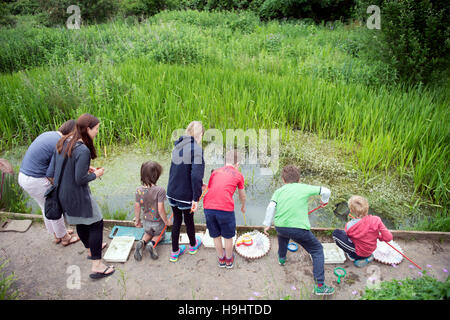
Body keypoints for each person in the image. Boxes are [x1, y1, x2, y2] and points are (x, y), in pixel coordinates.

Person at [47, 113, 114, 280]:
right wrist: (96, 174)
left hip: (63, 195)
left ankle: (91, 250)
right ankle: (97, 266)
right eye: (97, 128)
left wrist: (85, 167)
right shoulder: (82, 149)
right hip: (77, 196)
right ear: (88, 129)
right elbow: (80, 179)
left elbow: (57, 170)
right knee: (96, 223)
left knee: (81, 223)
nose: (98, 131)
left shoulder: (65, 141)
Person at [262, 165, 334, 296]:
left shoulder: (278, 191)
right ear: (299, 179)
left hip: (280, 226)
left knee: (283, 238)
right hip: (299, 229)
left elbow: (271, 206)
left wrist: (267, 224)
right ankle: (320, 286)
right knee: (317, 250)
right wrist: (324, 201)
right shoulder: (304, 187)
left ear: (283, 180)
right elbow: (326, 191)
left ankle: (282, 259)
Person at [18, 120, 79, 246]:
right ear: (71, 133)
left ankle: (57, 234)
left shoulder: (49, 134)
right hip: (36, 179)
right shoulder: (59, 143)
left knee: (45, 206)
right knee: (54, 206)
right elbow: (52, 173)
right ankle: (65, 238)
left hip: (24, 176)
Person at [166, 121, 205, 262]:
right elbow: (195, 175)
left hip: (172, 191)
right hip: (185, 195)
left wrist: (200, 184)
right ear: (200, 134)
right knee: (189, 221)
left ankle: (174, 252)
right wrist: (196, 197)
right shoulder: (197, 150)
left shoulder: (177, 146)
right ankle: (193, 245)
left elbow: (179, 170)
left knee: (177, 220)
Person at [203, 150, 246, 269]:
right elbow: (242, 195)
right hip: (225, 209)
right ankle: (229, 259)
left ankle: (221, 259)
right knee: (228, 236)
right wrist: (243, 205)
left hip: (208, 207)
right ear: (237, 164)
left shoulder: (215, 172)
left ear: (225, 162)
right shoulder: (238, 175)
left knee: (215, 235)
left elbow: (209, 188)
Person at [332, 195, 393, 267]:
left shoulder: (350, 225)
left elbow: (349, 237)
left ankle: (353, 256)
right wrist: (379, 237)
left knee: (336, 233)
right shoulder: (376, 219)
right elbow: (389, 237)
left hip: (359, 252)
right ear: (367, 208)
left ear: (351, 211)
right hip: (371, 249)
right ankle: (367, 256)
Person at [134, 160, 172, 261]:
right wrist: (166, 221)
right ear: (156, 176)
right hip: (157, 223)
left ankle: (142, 242)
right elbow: (160, 209)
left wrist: (137, 220)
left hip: (146, 222)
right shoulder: (160, 190)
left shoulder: (138, 190)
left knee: (148, 233)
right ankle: (152, 244)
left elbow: (137, 206)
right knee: (159, 235)